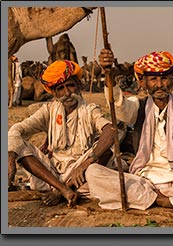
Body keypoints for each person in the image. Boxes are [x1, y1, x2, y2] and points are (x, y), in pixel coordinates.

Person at [85, 49, 173, 213]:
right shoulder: (137, 107)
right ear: (143, 83)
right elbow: (119, 106)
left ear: (171, 81)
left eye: (164, 79)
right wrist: (108, 75)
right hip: (145, 180)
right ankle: (161, 200)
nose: (159, 84)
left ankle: (148, 199)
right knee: (93, 172)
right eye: (153, 79)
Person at [8, 60, 117, 208]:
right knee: (19, 144)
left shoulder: (90, 110)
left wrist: (88, 161)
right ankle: (63, 189)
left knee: (103, 152)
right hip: (51, 176)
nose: (67, 93)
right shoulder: (48, 110)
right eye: (61, 88)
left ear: (78, 85)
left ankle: (62, 191)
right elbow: (17, 129)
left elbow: (110, 131)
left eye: (70, 86)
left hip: (79, 174)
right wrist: (10, 156)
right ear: (54, 92)